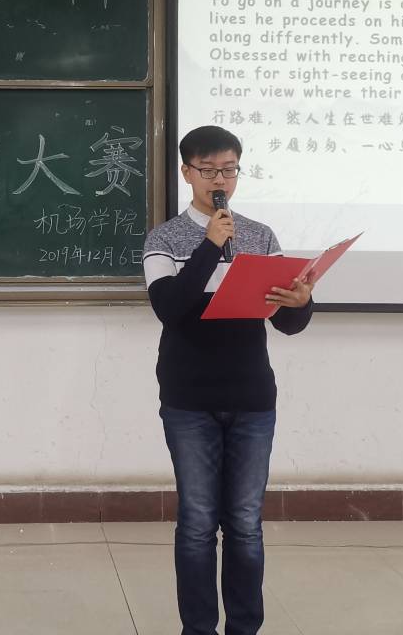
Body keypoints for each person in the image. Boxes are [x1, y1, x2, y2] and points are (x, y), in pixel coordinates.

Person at [142, 125, 314, 635]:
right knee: (198, 523)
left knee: (244, 523)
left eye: (229, 170)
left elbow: (287, 323)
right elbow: (170, 309)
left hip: (252, 396)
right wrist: (208, 247)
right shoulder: (165, 239)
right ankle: (198, 629)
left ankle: (244, 628)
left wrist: (302, 303)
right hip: (189, 399)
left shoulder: (260, 236)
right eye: (209, 170)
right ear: (187, 173)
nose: (220, 180)